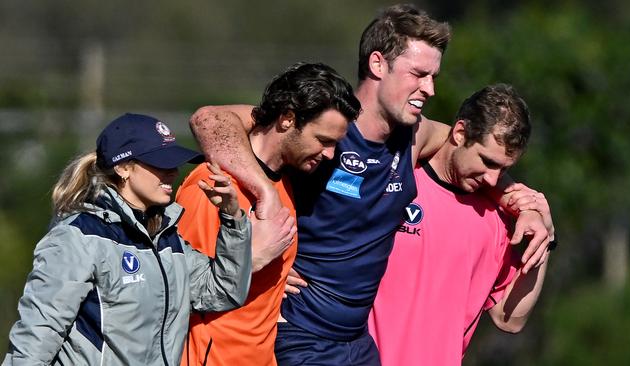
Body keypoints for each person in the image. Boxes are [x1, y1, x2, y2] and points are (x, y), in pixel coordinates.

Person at [188, 4, 553, 365]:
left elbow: (474, 154)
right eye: (419, 74)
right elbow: (209, 120)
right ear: (378, 64)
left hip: (357, 342)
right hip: (301, 335)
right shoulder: (322, 127)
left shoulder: (416, 135)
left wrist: (525, 206)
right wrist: (266, 197)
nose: (429, 89)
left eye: (434, 77)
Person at [2, 113, 254, 366]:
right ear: (123, 168)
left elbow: (225, 292)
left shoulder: (166, 238)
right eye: (160, 163)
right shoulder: (78, 237)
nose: (173, 172)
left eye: (174, 163)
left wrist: (232, 217)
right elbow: (37, 335)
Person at [175, 62, 361, 366]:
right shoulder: (213, 186)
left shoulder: (283, 183)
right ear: (287, 119)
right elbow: (179, 284)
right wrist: (253, 259)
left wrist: (275, 271)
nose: (329, 154)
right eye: (323, 140)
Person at [368, 84, 551, 366]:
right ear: (459, 132)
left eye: (503, 169)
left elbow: (509, 319)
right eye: (487, 162)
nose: (493, 179)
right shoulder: (397, 180)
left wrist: (545, 239)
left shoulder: (496, 221)